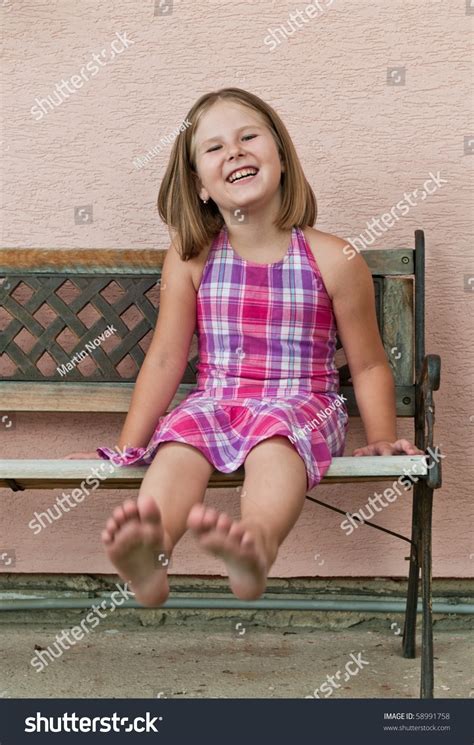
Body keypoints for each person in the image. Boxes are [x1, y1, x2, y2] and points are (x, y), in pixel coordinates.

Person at [65, 87, 423, 607]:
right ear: (200, 187)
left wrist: (384, 437)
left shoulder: (333, 256)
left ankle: (254, 543)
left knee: (275, 443)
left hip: (301, 402)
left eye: (248, 136)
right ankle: (151, 551)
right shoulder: (191, 259)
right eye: (214, 148)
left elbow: (367, 364)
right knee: (180, 444)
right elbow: (165, 359)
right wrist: (129, 447)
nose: (234, 151)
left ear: (280, 154)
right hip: (218, 400)